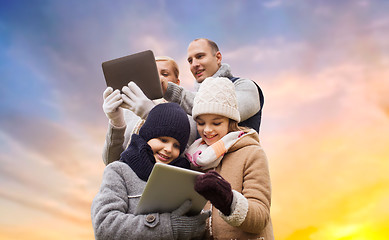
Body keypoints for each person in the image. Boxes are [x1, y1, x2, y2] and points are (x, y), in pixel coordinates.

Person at [92, 103, 210, 240]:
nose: (168, 149)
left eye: (176, 145)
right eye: (163, 139)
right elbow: (104, 227)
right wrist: (169, 226)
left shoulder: (183, 180)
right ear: (148, 136)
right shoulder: (118, 171)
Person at [184, 77, 274, 239]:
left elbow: (260, 217)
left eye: (216, 123)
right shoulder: (194, 158)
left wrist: (229, 201)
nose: (207, 130)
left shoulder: (252, 153)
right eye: (201, 123)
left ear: (230, 121)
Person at [101, 56, 197, 165]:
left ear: (177, 82)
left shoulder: (186, 114)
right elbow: (110, 161)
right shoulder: (128, 111)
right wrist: (116, 123)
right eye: (152, 74)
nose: (158, 78)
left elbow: (182, 158)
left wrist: (151, 114)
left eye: (165, 74)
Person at [163, 38, 264, 133]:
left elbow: (220, 110)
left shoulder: (245, 86)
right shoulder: (190, 106)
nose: (194, 64)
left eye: (200, 56)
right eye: (190, 61)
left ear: (218, 57)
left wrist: (171, 92)